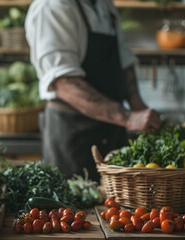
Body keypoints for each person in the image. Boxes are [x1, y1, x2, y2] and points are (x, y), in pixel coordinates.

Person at [25, 0, 163, 182]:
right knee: (74, 206)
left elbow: (124, 62)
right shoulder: (53, 7)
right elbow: (64, 83)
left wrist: (139, 109)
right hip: (73, 134)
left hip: (112, 129)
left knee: (116, 205)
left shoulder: (104, 5)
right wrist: (128, 118)